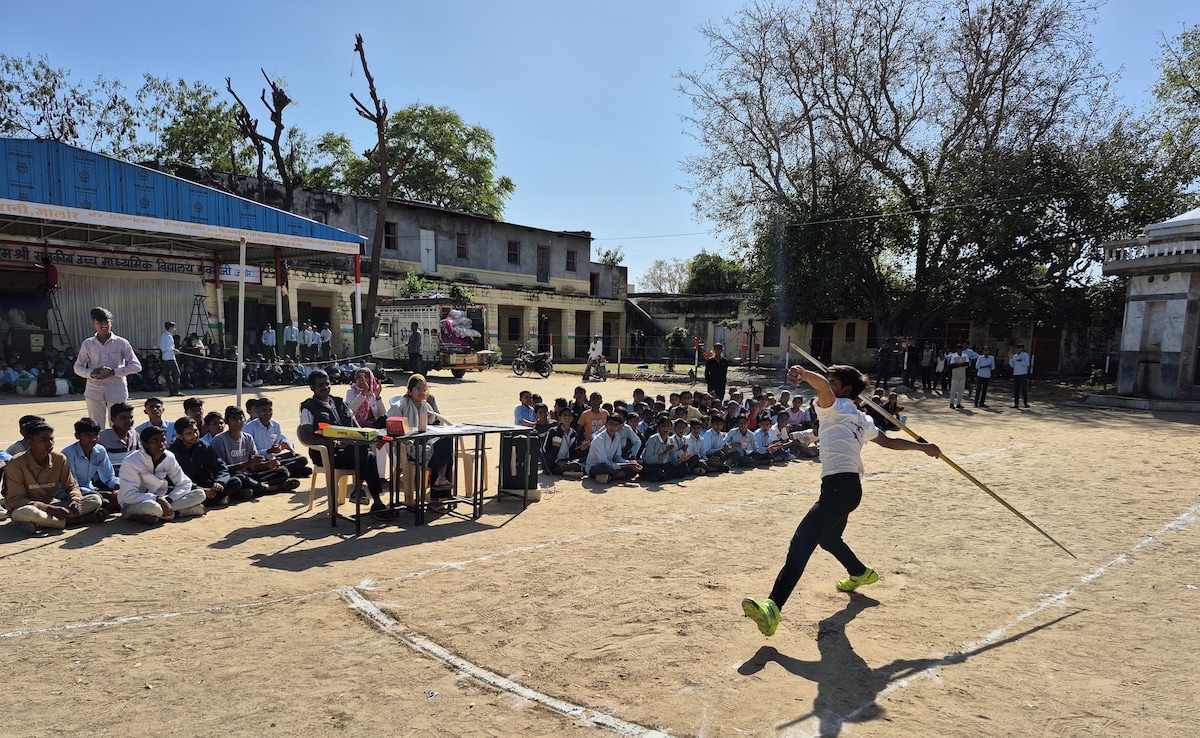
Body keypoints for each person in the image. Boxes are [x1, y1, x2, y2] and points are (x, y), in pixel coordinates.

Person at [741, 364, 940, 637]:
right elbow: (887, 442)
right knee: (829, 539)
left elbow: (822, 387)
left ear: (845, 389)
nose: (827, 385)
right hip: (847, 490)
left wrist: (804, 374)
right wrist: (922, 448)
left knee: (801, 543)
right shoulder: (861, 418)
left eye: (833, 381)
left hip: (839, 489)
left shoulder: (834, 407)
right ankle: (859, 572)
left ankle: (772, 607)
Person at [297, 370, 392, 519]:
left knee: (367, 452)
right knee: (367, 454)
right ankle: (371, 499)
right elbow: (306, 436)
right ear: (312, 388)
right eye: (320, 385)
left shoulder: (340, 403)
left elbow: (356, 428)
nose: (325, 387)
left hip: (350, 450)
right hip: (327, 454)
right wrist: (332, 444)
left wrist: (368, 435)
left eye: (327, 384)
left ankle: (366, 496)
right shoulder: (308, 408)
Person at [5, 421, 106, 535]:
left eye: (51, 439)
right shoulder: (16, 463)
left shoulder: (59, 459)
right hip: (29, 507)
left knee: (95, 499)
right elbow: (16, 500)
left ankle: (43, 523)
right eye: (43, 440)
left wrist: (75, 500)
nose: (49, 444)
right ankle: (76, 520)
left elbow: (71, 486)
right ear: (30, 442)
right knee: (25, 513)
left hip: (54, 505)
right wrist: (47, 509)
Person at [118, 426, 208, 524]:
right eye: (155, 441)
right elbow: (127, 495)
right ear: (145, 444)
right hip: (135, 502)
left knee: (200, 494)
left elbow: (185, 483)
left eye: (163, 440)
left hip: (163, 498)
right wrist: (157, 499)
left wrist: (169, 499)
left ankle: (162, 514)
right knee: (153, 507)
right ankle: (183, 512)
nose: (161, 444)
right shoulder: (131, 461)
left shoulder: (169, 456)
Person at [387, 374, 454, 505]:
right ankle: (438, 500)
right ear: (410, 391)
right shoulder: (401, 404)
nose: (422, 392)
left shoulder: (427, 405)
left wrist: (430, 420)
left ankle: (440, 483)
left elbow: (435, 428)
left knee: (446, 442)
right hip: (409, 447)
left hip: (426, 443)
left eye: (424, 389)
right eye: (418, 389)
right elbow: (390, 423)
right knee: (441, 454)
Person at [74, 307, 142, 428]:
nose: (104, 325)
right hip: (94, 389)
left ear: (111, 322)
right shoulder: (88, 343)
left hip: (117, 389)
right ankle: (98, 447)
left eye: (106, 322)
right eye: (100, 322)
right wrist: (91, 373)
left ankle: (117, 447)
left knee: (118, 424)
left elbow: (136, 366)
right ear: (93, 323)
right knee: (96, 425)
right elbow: (78, 367)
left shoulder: (121, 342)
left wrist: (114, 372)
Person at [211, 406, 297, 496]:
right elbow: (221, 470)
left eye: (241, 418)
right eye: (234, 419)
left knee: (283, 471)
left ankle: (251, 488)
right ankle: (273, 487)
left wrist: (268, 465)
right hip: (232, 477)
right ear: (226, 421)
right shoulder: (219, 441)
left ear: (245, 420)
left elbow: (254, 466)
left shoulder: (248, 438)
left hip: (249, 475)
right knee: (239, 479)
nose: (238, 421)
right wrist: (245, 465)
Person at [169, 417, 246, 508]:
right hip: (187, 487)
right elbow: (175, 480)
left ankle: (205, 501)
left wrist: (219, 482)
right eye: (189, 433)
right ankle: (212, 500)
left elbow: (220, 467)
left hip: (207, 485)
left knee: (236, 481)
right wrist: (199, 489)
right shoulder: (171, 451)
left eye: (195, 431)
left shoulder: (204, 445)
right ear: (180, 436)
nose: (194, 435)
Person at [62, 417, 121, 511]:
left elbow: (109, 477)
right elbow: (72, 486)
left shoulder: (100, 450)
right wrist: (104, 494)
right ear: (77, 436)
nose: (93, 439)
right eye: (88, 435)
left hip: (91, 490)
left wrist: (118, 487)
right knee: (99, 500)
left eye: (96, 435)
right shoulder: (68, 454)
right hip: (70, 493)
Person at [245, 398, 312, 480]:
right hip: (259, 463)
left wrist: (286, 449)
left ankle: (281, 471)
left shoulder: (275, 424)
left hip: (272, 459)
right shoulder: (249, 428)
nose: (268, 413)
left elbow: (280, 441)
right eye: (264, 410)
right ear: (256, 411)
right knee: (293, 470)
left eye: (270, 410)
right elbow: (250, 454)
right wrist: (268, 451)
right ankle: (283, 472)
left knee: (302, 459)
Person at [584, 415, 641, 483]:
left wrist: (629, 463)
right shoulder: (599, 439)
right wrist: (627, 465)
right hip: (596, 466)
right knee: (605, 468)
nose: (613, 427)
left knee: (634, 467)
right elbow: (604, 462)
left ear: (619, 427)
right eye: (610, 423)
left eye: (616, 425)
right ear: (605, 424)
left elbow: (618, 457)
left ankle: (610, 477)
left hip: (611, 464)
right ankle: (615, 476)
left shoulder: (617, 437)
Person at [542, 406, 584, 478]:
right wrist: (557, 461)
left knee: (582, 461)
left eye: (569, 415)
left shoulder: (573, 433)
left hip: (566, 461)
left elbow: (573, 452)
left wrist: (581, 448)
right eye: (564, 415)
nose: (567, 417)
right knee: (575, 466)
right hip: (553, 463)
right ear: (560, 417)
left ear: (572, 418)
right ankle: (570, 471)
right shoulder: (553, 431)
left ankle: (570, 471)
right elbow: (544, 449)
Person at [158, 321, 182, 397]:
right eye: (174, 328)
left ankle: (171, 391)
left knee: (168, 374)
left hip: (165, 357)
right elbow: (169, 348)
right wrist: (176, 350)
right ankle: (175, 391)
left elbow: (163, 347)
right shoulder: (169, 336)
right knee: (176, 373)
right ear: (171, 328)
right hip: (170, 357)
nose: (174, 329)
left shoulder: (164, 335)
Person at [947, 345, 969, 409]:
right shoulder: (954, 356)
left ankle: (959, 403)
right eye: (958, 349)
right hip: (955, 375)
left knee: (961, 390)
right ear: (956, 350)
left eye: (960, 349)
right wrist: (962, 364)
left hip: (962, 375)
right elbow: (952, 365)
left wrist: (958, 364)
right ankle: (951, 403)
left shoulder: (965, 356)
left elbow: (967, 364)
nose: (959, 350)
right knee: (953, 390)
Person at [1010, 343, 1031, 408]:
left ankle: (1025, 403)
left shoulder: (1025, 355)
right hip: (1016, 374)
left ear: (1022, 349)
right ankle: (1016, 404)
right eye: (1018, 348)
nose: (1019, 350)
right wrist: (1010, 358)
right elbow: (1012, 365)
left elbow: (1027, 364)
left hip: (1023, 374)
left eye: (1020, 348)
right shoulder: (1015, 356)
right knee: (1016, 389)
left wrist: (1021, 360)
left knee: (1024, 389)